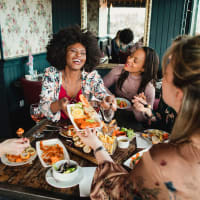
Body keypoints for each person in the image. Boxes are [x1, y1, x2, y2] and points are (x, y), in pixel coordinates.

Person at [77, 35, 200, 199]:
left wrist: (97, 147)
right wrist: (147, 110)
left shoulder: (163, 159)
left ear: (180, 94)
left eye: (166, 76)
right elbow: (159, 120)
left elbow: (120, 192)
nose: (161, 81)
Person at [40, 25, 116, 122]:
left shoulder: (92, 76)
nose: (78, 55)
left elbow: (102, 97)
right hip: (57, 129)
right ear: (63, 53)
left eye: (83, 53)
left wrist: (108, 103)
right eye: (73, 51)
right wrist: (59, 104)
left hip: (87, 129)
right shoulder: (51, 74)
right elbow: (43, 107)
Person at [132, 35, 188, 132]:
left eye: (175, 53)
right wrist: (147, 109)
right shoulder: (166, 85)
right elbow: (160, 121)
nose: (170, 56)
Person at [103, 47, 159, 121]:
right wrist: (110, 97)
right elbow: (100, 85)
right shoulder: (119, 70)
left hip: (134, 122)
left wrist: (137, 109)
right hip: (112, 112)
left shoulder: (149, 88)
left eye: (135, 61)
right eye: (131, 56)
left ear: (143, 68)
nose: (129, 59)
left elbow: (146, 120)